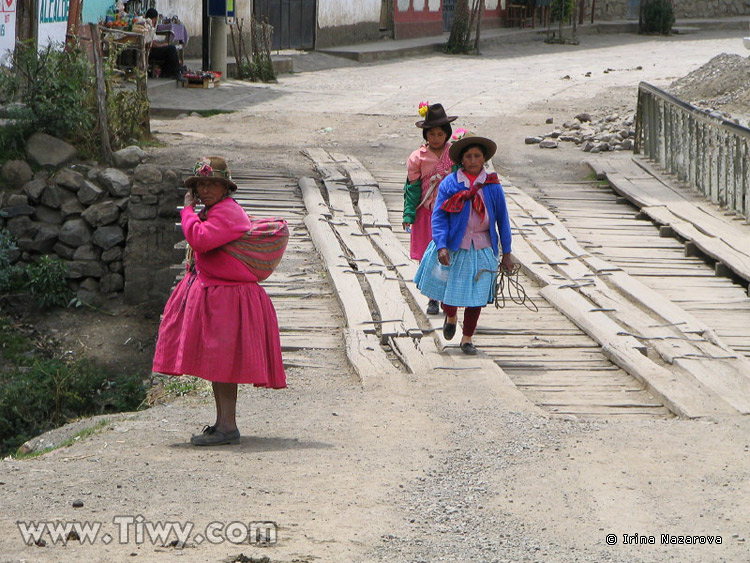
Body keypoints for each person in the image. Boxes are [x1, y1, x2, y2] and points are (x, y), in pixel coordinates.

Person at [153, 156, 287, 446]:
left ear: (225, 188)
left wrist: (187, 210)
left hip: (228, 300)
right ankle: (222, 423)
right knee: (219, 364)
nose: (206, 189)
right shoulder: (216, 210)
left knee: (224, 363)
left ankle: (228, 426)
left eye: (213, 183)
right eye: (201, 184)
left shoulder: (227, 213)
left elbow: (199, 240)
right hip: (220, 296)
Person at [414, 134, 514, 355]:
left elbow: (502, 220)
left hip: (482, 248)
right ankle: (450, 315)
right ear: (461, 160)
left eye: (477, 155)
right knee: (449, 292)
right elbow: (439, 216)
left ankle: (467, 338)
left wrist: (506, 252)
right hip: (454, 246)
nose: (473, 160)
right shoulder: (450, 183)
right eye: (468, 156)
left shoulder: (492, 186)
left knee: (476, 297)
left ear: (484, 159)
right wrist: (441, 245)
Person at [403, 102, 460, 316]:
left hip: (450, 212)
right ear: (426, 135)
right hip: (426, 213)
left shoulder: (455, 154)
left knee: (448, 252)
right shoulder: (417, 158)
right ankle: (432, 298)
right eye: (432, 134)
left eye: (440, 134)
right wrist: (409, 213)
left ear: (447, 134)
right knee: (429, 256)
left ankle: (446, 295)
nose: (436, 138)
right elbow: (412, 187)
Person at [144, 8, 182, 79]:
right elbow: (151, 44)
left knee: (170, 50)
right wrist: (161, 45)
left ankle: (167, 72)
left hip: (150, 50)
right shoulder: (147, 26)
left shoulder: (149, 26)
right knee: (171, 49)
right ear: (154, 18)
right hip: (149, 52)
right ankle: (176, 73)